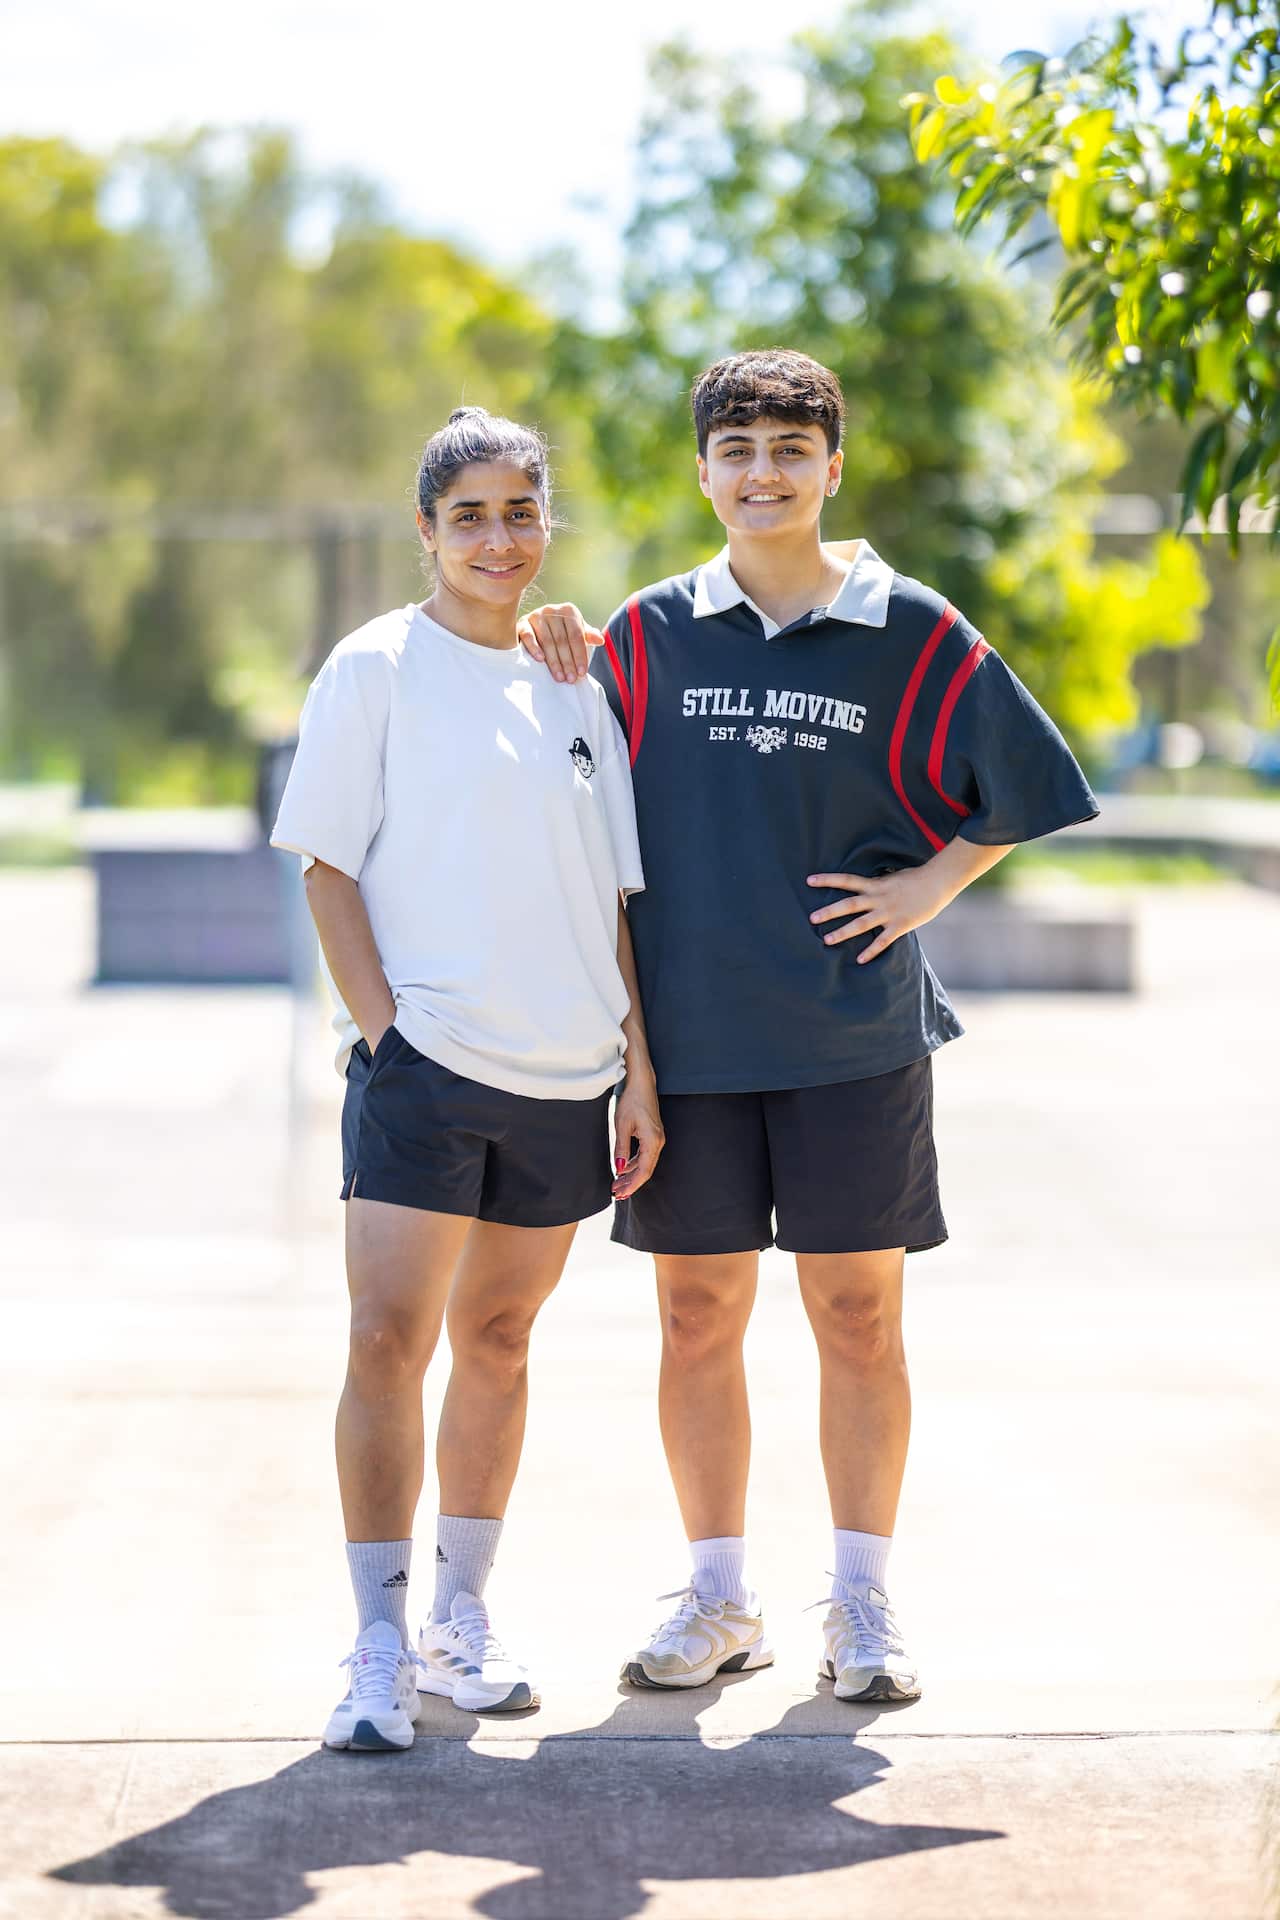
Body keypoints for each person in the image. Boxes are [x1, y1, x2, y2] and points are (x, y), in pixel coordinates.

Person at [521, 348, 1099, 1704]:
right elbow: (567, 793)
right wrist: (547, 637)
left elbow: (1020, 784)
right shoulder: (649, 634)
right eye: (737, 448)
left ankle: (865, 1604)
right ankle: (721, 1597)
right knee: (695, 1316)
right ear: (705, 470)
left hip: (854, 1039)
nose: (763, 470)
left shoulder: (913, 627)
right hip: (695, 1046)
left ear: (833, 465)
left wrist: (929, 885)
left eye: (791, 447)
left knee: (856, 1315)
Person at [270, 406, 663, 1751]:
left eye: (519, 512)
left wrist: (639, 1073)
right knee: (388, 1339)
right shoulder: (373, 669)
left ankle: (459, 1619)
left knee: (501, 1342)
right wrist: (389, 1034)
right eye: (471, 514)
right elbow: (325, 864)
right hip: (425, 1070)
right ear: (427, 530)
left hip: (569, 1075)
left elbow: (617, 898)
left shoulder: (583, 682)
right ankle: (376, 1641)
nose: (498, 537)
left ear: (544, 527)